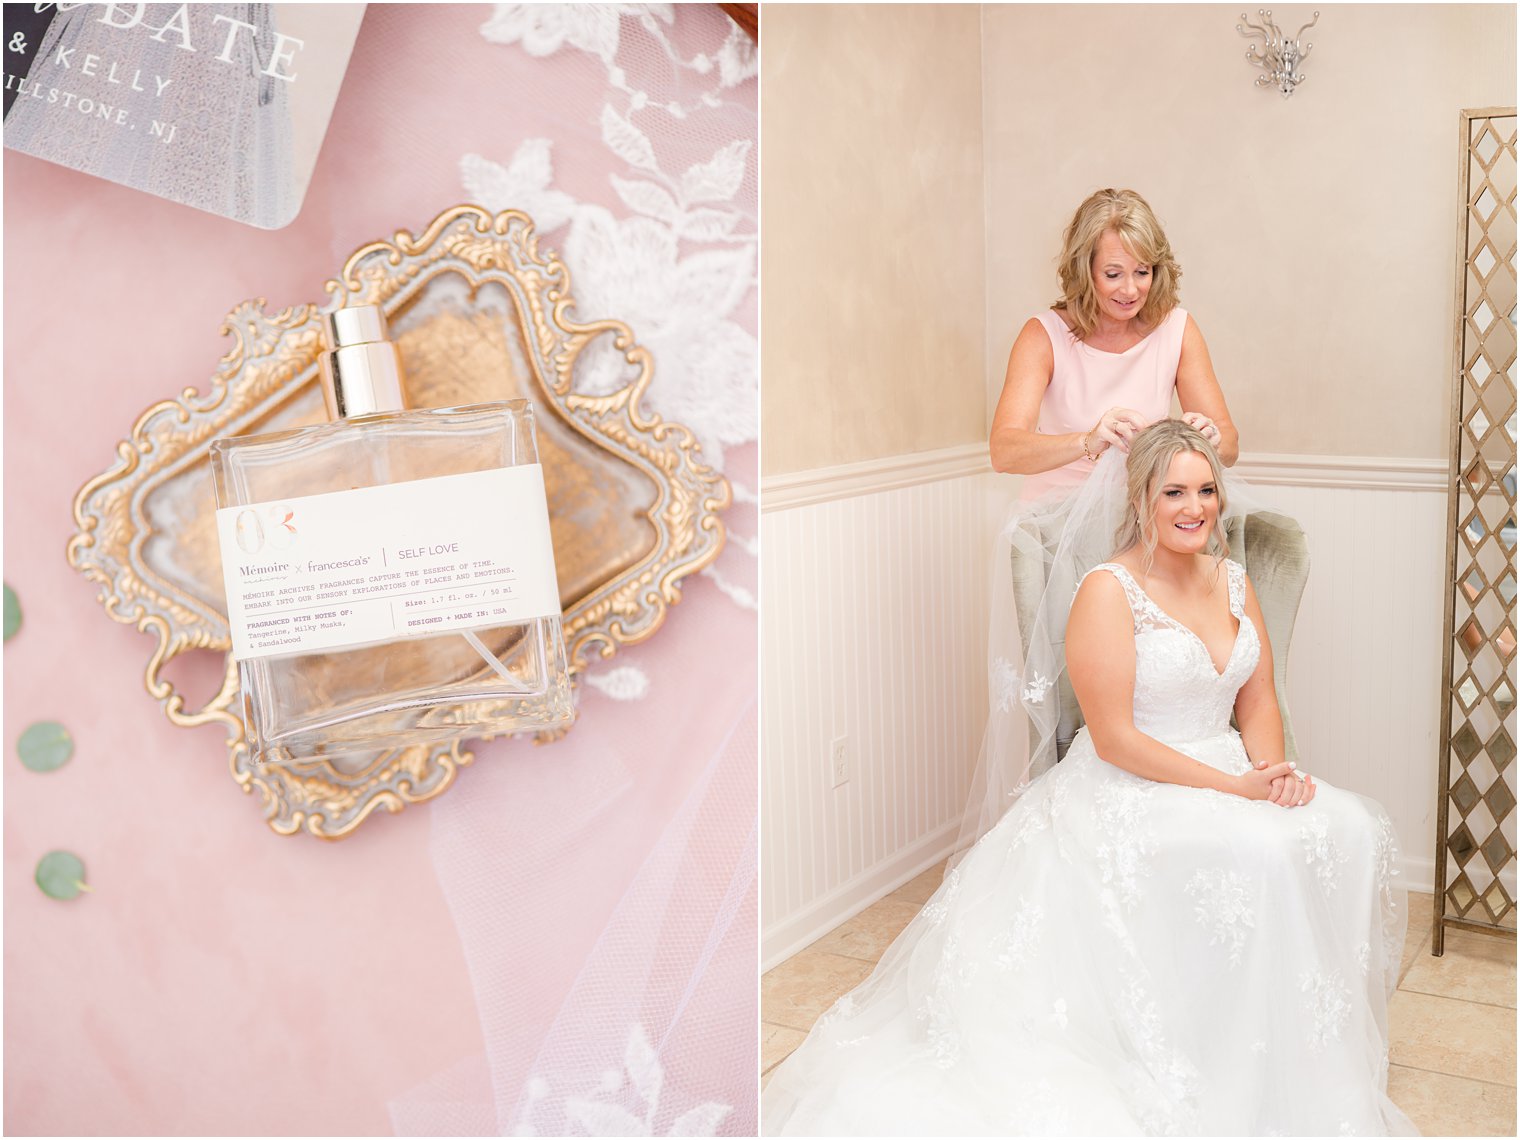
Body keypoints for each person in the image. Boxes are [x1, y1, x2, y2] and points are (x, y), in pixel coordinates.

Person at [761, 422, 1412, 1136]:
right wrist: (1232, 792)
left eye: (1205, 490)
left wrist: (1270, 770)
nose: (1194, 507)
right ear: (1141, 501)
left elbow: (1257, 698)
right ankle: (1213, 1054)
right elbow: (1115, 739)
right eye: (1174, 492)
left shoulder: (1233, 579)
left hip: (1229, 766)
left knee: (1352, 825)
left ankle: (1300, 1048)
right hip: (1132, 783)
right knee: (1260, 852)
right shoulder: (1109, 591)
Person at [963, 187, 1246, 852]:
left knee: (1164, 684)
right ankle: (1072, 840)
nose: (1129, 289)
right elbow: (1005, 449)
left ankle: (1171, 827)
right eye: (1113, 272)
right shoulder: (1044, 335)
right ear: (1083, 267)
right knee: (1081, 703)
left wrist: (1203, 430)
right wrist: (1088, 440)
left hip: (1147, 529)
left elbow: (1228, 441)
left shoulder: (1176, 328)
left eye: (1143, 272)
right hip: (1061, 536)